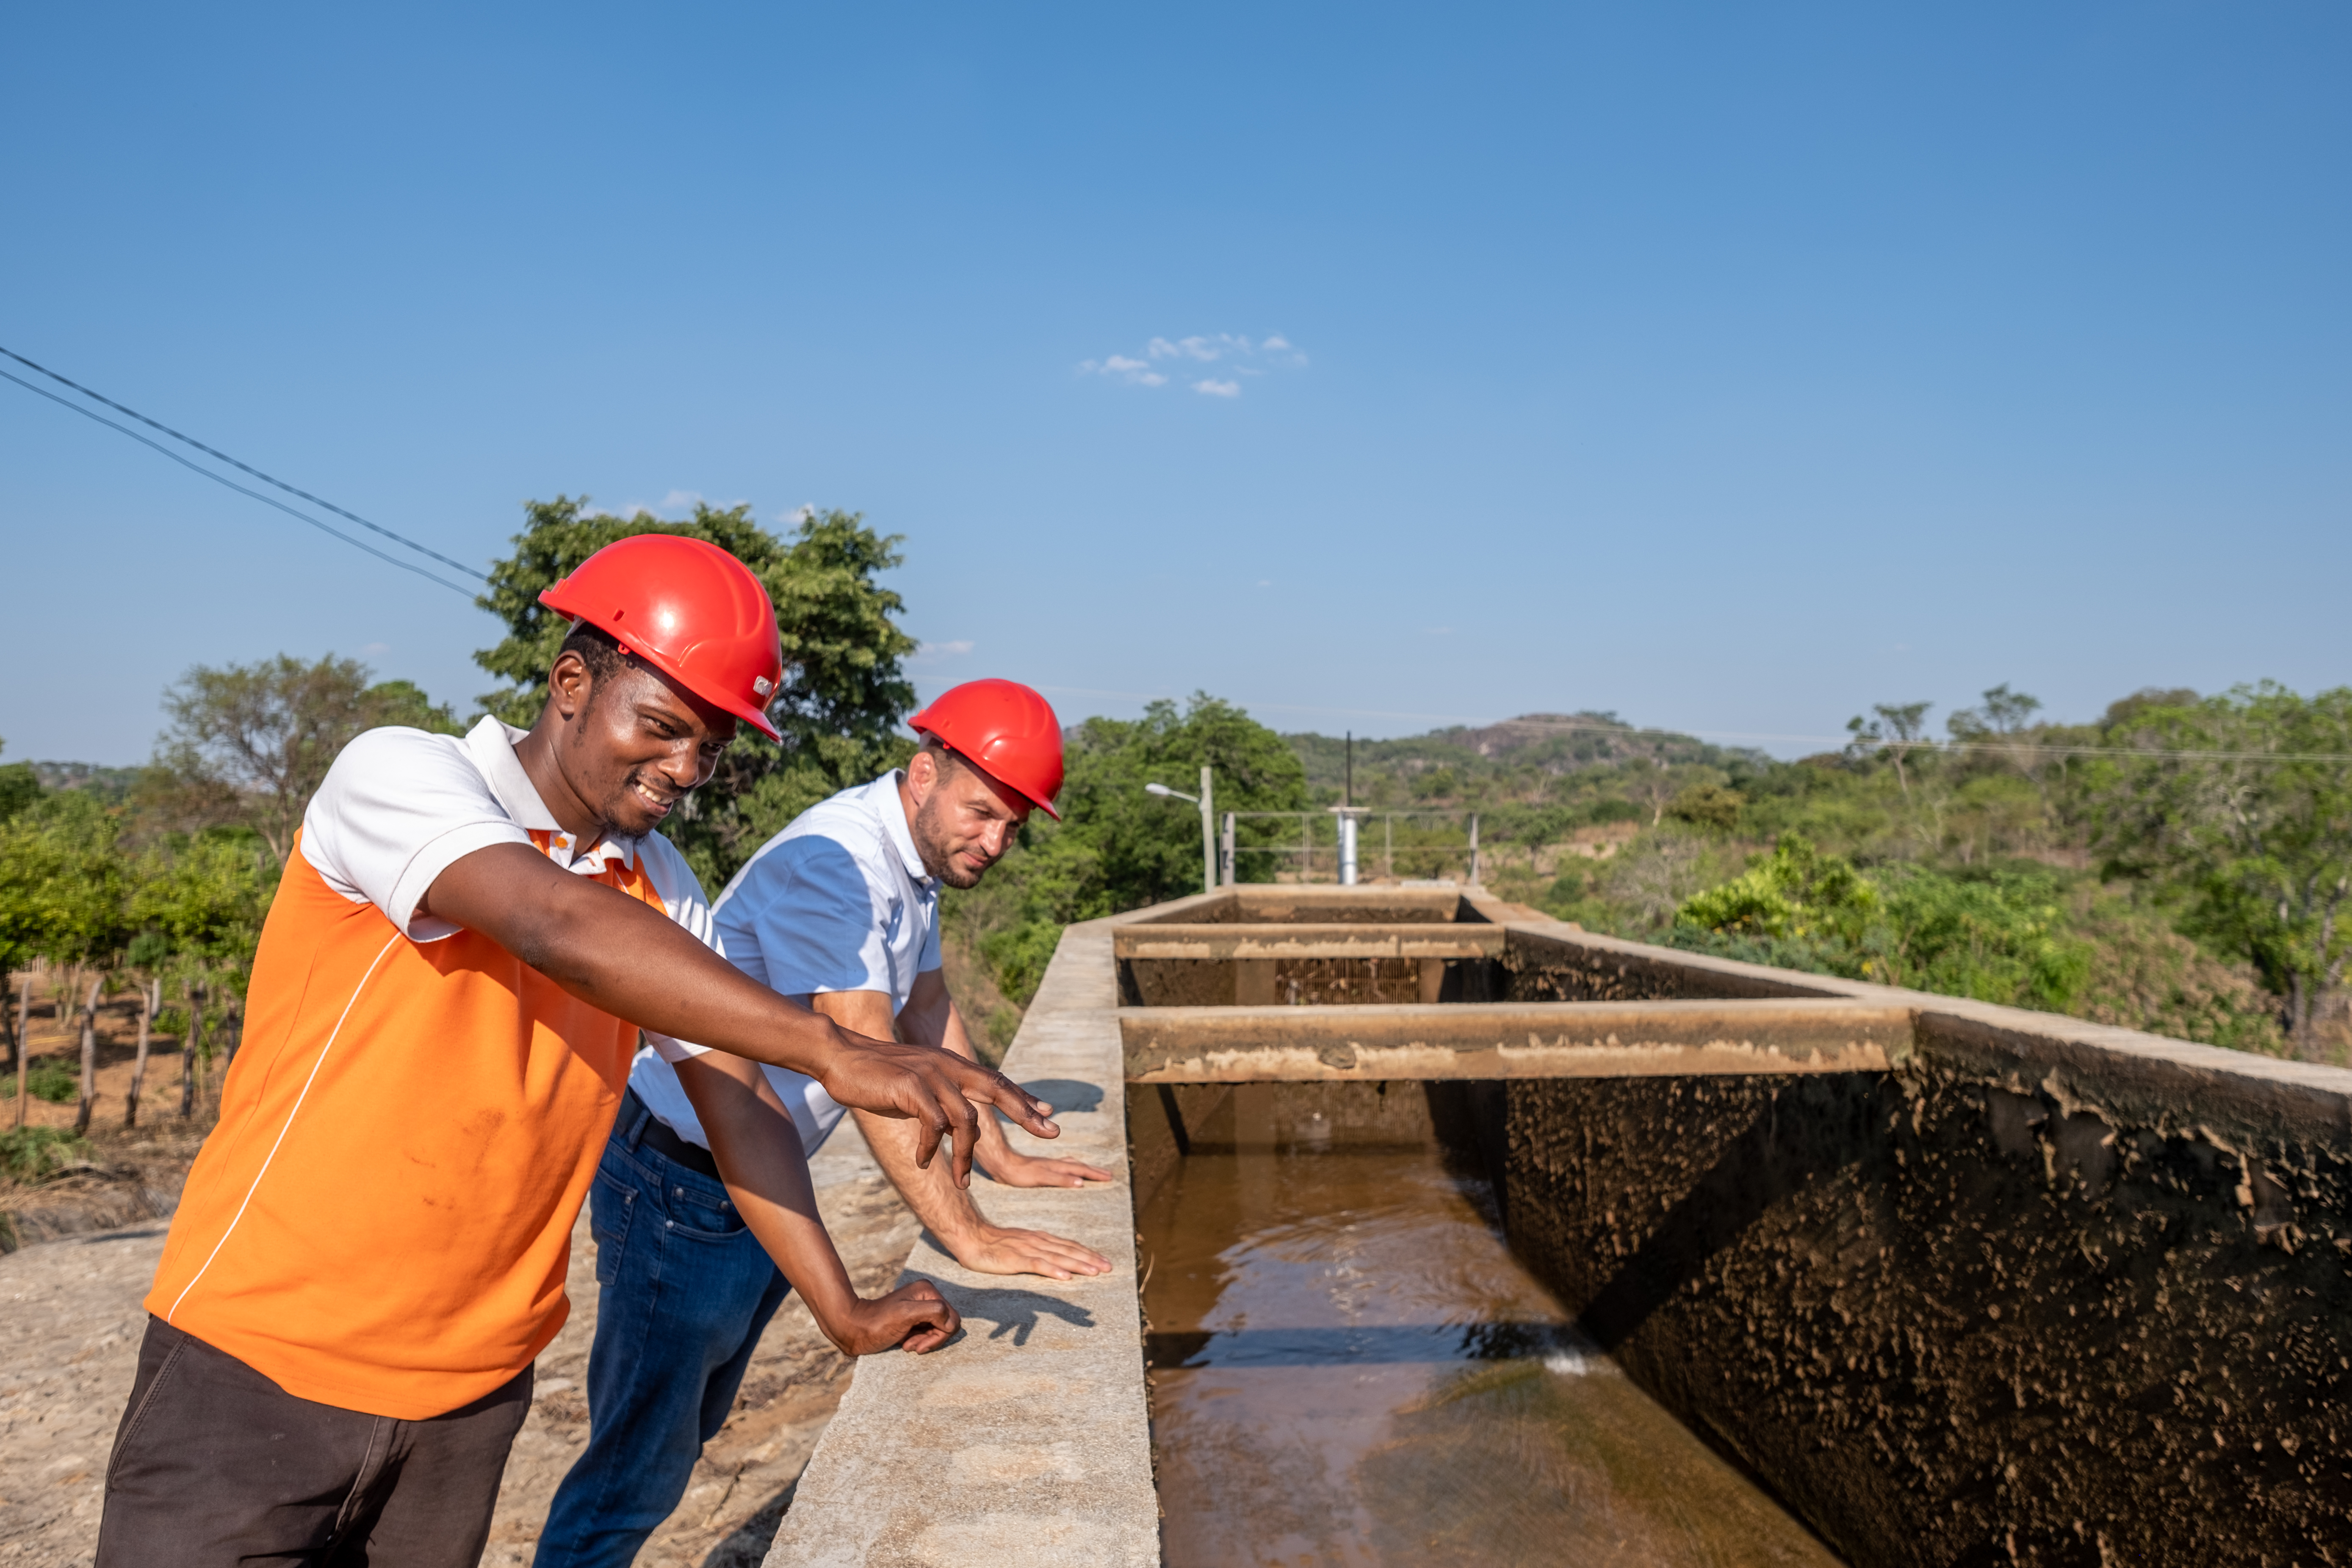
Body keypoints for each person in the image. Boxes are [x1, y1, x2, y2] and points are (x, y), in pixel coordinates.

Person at [95, 536, 1064, 1568]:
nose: (686, 769)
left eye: (712, 745)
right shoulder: (402, 775)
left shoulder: (663, 885)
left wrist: (844, 1309)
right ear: (570, 681)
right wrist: (830, 1046)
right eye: (660, 727)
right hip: (260, 1363)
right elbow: (553, 922)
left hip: (468, 1398)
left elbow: (740, 1109)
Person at [536, 678, 1116, 1567]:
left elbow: (928, 1011)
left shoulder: (907, 863)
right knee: (635, 1469)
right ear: (923, 774)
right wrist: (967, 1236)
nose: (995, 841)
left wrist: (999, 1155)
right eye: (982, 812)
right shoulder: (839, 865)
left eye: (1012, 826)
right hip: (682, 1182)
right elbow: (868, 1065)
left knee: (680, 1438)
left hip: (756, 1170)